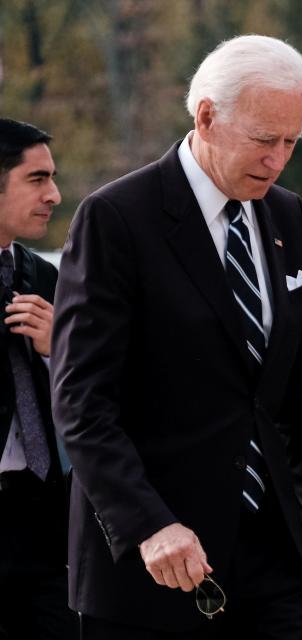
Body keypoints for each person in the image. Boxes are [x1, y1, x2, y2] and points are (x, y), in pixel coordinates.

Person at [50, 35, 302, 638]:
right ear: (206, 116)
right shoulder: (117, 218)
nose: (278, 159)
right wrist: (150, 524)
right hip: (156, 560)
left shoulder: (287, 215)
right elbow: (81, 402)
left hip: (270, 550)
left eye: (291, 141)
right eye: (263, 139)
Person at [0, 119, 77, 639]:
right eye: (36, 179)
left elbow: (89, 398)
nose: (53, 194)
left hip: (41, 515)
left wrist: (59, 352)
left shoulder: (45, 276)